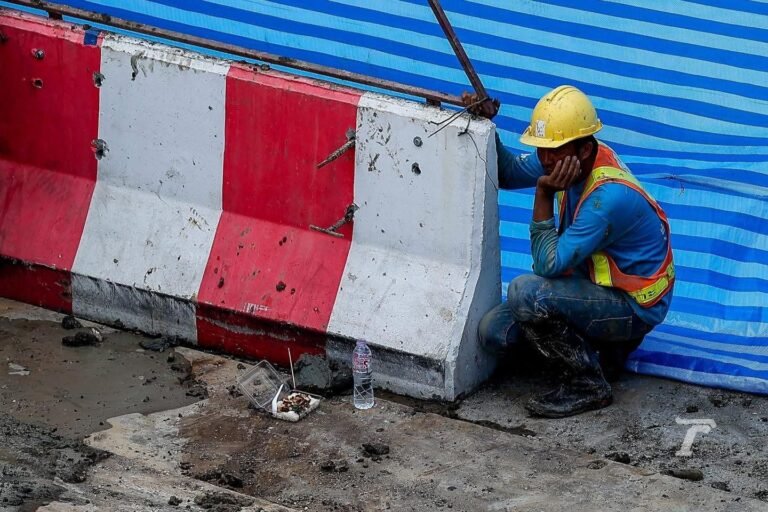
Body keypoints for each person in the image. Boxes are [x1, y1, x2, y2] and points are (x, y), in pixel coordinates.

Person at [464, 85, 674, 418]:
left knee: (525, 292)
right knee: (494, 333)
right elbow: (507, 171)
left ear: (585, 147)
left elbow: (547, 264)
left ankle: (588, 382)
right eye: (542, 150)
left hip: (631, 306)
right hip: (591, 287)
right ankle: (603, 354)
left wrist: (544, 193)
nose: (545, 160)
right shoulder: (565, 155)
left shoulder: (608, 200)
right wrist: (486, 126)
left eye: (554, 151)